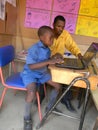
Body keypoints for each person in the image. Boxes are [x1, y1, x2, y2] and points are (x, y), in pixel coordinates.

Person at [21, 25, 63, 130]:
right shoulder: (34, 49)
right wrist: (49, 61)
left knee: (58, 86)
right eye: (51, 38)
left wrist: (55, 57)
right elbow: (31, 66)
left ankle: (49, 108)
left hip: (42, 73)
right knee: (31, 92)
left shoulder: (47, 49)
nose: (53, 40)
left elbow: (46, 60)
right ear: (41, 37)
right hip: (30, 73)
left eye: (53, 37)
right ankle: (27, 118)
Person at [50, 15, 83, 112]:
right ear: (53, 25)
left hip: (59, 62)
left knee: (70, 75)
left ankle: (65, 99)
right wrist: (52, 57)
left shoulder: (65, 34)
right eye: (58, 26)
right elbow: (43, 49)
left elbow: (72, 46)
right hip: (48, 62)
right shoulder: (48, 34)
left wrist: (79, 55)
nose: (61, 29)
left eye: (63, 27)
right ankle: (42, 95)